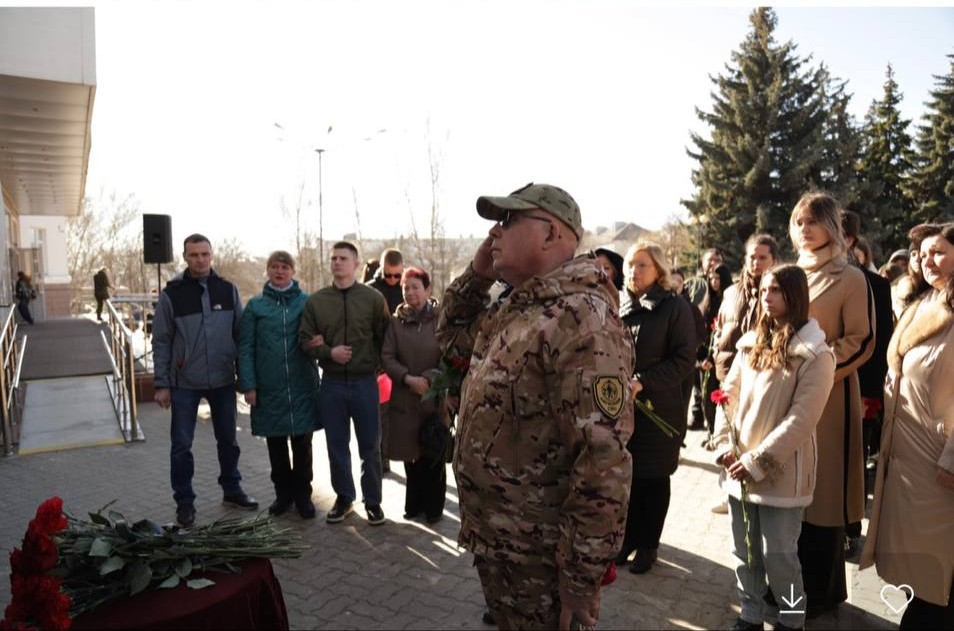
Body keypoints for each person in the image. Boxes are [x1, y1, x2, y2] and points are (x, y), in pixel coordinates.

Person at [435, 182, 634, 631]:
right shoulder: (521, 307)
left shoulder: (581, 318)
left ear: (549, 235)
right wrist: (477, 276)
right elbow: (450, 340)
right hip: (504, 543)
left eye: (508, 220)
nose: (494, 232)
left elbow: (603, 461)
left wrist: (581, 580)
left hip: (542, 559)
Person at [713, 264, 836, 631]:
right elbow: (726, 394)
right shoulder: (750, 343)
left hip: (780, 474)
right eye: (764, 290)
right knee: (745, 554)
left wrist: (756, 461)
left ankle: (792, 617)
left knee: (780, 557)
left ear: (795, 296)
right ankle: (750, 614)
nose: (767, 297)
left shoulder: (816, 354)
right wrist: (724, 445)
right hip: (738, 469)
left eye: (777, 291)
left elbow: (802, 419)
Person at [860, 222, 954, 630]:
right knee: (918, 566)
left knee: (938, 568)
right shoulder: (924, 300)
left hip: (940, 461)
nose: (927, 260)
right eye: (924, 253)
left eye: (939, 252)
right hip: (909, 458)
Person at [789, 192, 874, 618]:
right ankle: (789, 590)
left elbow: (861, 341)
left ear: (831, 225)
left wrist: (817, 370)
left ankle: (820, 593)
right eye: (798, 221)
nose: (804, 229)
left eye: (812, 221)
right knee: (790, 501)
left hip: (830, 399)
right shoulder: (791, 273)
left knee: (822, 503)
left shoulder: (849, 276)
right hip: (785, 398)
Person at [152, 234, 258, 528]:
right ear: (185, 257)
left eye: (205, 254)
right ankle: (184, 502)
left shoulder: (227, 290)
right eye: (194, 255)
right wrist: (162, 384)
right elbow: (160, 340)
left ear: (212, 256)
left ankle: (232, 489)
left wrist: (245, 378)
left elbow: (242, 335)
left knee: (228, 439)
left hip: (223, 380)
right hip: (184, 382)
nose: (200, 259)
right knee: (181, 445)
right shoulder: (172, 294)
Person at [617, 241, 696, 574]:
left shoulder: (674, 307)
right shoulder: (623, 307)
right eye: (631, 265)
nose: (634, 271)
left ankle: (649, 546)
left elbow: (683, 359)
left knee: (654, 478)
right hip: (625, 408)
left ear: (659, 270)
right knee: (630, 478)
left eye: (642, 265)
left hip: (659, 408)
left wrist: (643, 381)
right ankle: (628, 540)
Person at [299, 241, 390, 526]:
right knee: (336, 445)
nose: (337, 262)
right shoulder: (317, 301)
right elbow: (304, 340)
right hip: (333, 385)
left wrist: (375, 365)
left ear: (356, 263)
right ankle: (344, 498)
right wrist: (328, 352)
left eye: (343, 258)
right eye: (334, 258)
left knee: (370, 447)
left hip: (365, 383)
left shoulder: (373, 298)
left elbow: (385, 337)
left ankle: (373, 502)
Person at [238, 251, 321, 519]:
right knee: (275, 446)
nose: (279, 271)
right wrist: (248, 385)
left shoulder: (307, 303)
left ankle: (303, 496)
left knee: (302, 446)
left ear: (292, 271)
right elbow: (246, 347)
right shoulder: (256, 306)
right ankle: (283, 495)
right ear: (268, 271)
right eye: (274, 266)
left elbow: (318, 339)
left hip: (301, 386)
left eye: (284, 267)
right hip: (269, 388)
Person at [709, 234, 779, 513]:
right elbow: (722, 327)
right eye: (752, 256)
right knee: (726, 430)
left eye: (763, 257)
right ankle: (728, 491)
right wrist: (715, 351)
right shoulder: (731, 292)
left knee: (750, 432)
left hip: (759, 373)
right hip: (727, 371)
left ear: (774, 259)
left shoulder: (775, 290)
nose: (756, 262)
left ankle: (747, 487)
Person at [841, 210, 895, 556]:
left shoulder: (876, 285)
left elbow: (880, 345)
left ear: (849, 241)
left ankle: (850, 528)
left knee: (853, 463)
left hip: (859, 391)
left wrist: (871, 397)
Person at [380, 266, 447, 524]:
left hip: (433, 398)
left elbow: (449, 356)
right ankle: (414, 504)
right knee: (411, 454)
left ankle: (434, 508)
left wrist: (430, 379)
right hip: (405, 397)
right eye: (405, 288)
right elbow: (386, 356)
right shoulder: (396, 323)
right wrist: (407, 378)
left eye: (415, 287)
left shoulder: (441, 319)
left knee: (432, 453)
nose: (410, 292)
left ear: (427, 290)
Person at [367, 247, 405, 474]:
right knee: (380, 414)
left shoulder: (407, 287)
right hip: (378, 363)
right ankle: (382, 458)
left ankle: (392, 452)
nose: (392, 280)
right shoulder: (370, 291)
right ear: (381, 269)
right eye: (388, 275)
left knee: (398, 414)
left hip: (403, 360)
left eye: (397, 275)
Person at [686, 247, 725, 431]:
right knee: (697, 384)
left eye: (717, 259)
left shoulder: (726, 290)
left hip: (715, 344)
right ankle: (697, 417)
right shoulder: (696, 285)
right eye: (709, 259)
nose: (713, 262)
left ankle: (711, 425)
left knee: (709, 387)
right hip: (697, 343)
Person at [697, 263, 733, 443]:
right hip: (706, 360)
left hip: (722, 359)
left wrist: (713, 357)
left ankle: (721, 435)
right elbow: (702, 333)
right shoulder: (707, 302)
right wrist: (703, 357)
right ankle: (711, 432)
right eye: (711, 278)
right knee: (706, 398)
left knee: (722, 398)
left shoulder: (729, 302)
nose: (714, 282)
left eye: (718, 278)